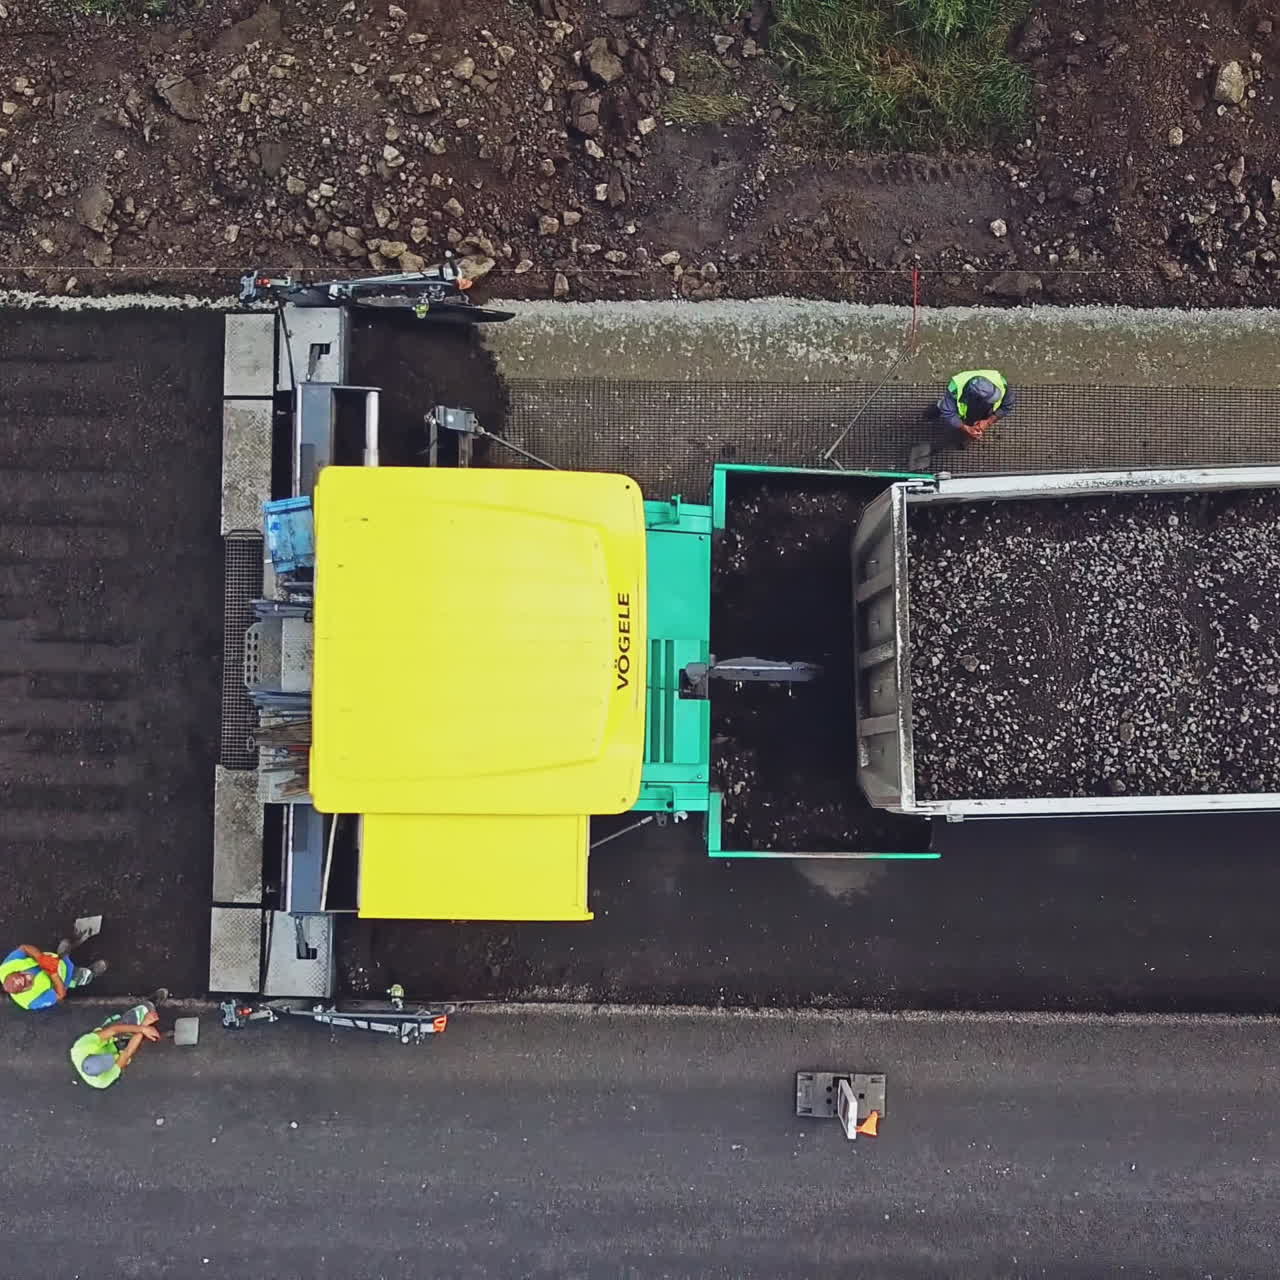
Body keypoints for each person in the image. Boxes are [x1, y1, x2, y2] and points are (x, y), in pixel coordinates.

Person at [909, 368, 1017, 470]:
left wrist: (988, 422)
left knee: (967, 434)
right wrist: (964, 427)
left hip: (980, 410)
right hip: (957, 404)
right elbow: (949, 413)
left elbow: (1007, 405)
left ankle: (961, 440)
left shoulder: (1001, 384)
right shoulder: (955, 388)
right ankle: (929, 415)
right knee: (942, 407)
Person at [70, 999, 164, 1090]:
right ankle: (134, 1034)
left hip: (107, 1037)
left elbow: (113, 1030)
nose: (109, 1056)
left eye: (104, 1056)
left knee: (135, 1018)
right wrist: (145, 1024)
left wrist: (142, 1028)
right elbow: (127, 1052)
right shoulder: (102, 1082)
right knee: (134, 1045)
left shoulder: (81, 1047)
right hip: (116, 1050)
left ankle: (148, 1004)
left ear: (91, 1054)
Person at [1, 940, 107, 1011]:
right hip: (65, 977)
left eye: (23, 975)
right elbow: (60, 994)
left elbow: (24, 948)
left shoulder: (6, 967)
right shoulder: (31, 1001)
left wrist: (41, 958)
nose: (28, 977)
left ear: (16, 972)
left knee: (62, 954)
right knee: (81, 976)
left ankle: (64, 955)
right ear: (23, 990)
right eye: (26, 982)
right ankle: (90, 973)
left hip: (53, 959)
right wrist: (53, 973)